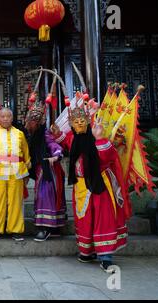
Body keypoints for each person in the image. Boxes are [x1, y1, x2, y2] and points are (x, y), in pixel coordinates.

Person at [51, 100, 132, 273]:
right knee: (85, 219)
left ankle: (105, 257)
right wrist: (57, 133)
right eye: (75, 122)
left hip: (99, 184)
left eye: (82, 122)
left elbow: (106, 158)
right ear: (71, 124)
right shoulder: (74, 138)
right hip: (81, 186)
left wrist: (99, 138)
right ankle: (86, 251)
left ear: (88, 121)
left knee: (104, 219)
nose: (79, 124)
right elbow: (65, 141)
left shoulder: (98, 137)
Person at [0, 107, 31, 241]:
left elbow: (26, 155)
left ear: (12, 118)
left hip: (17, 172)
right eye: (2, 117)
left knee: (16, 202)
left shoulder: (19, 134)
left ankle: (15, 230)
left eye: (8, 116)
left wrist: (26, 175)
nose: (5, 119)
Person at [25, 98, 66, 241]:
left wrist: (55, 156)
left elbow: (55, 147)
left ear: (42, 120)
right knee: (42, 196)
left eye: (37, 118)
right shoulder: (30, 134)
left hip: (49, 170)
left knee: (45, 197)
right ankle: (53, 227)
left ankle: (45, 228)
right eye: (32, 118)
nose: (33, 121)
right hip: (39, 169)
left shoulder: (45, 134)